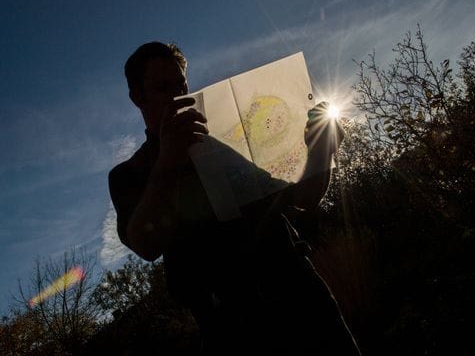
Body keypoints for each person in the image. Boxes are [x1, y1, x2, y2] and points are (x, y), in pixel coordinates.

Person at [109, 41, 360, 355]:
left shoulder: (232, 138)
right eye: (162, 88)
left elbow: (304, 197)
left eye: (182, 85)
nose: (178, 96)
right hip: (229, 325)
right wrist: (167, 162)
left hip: (302, 297)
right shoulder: (129, 173)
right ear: (137, 98)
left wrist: (321, 147)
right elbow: (146, 244)